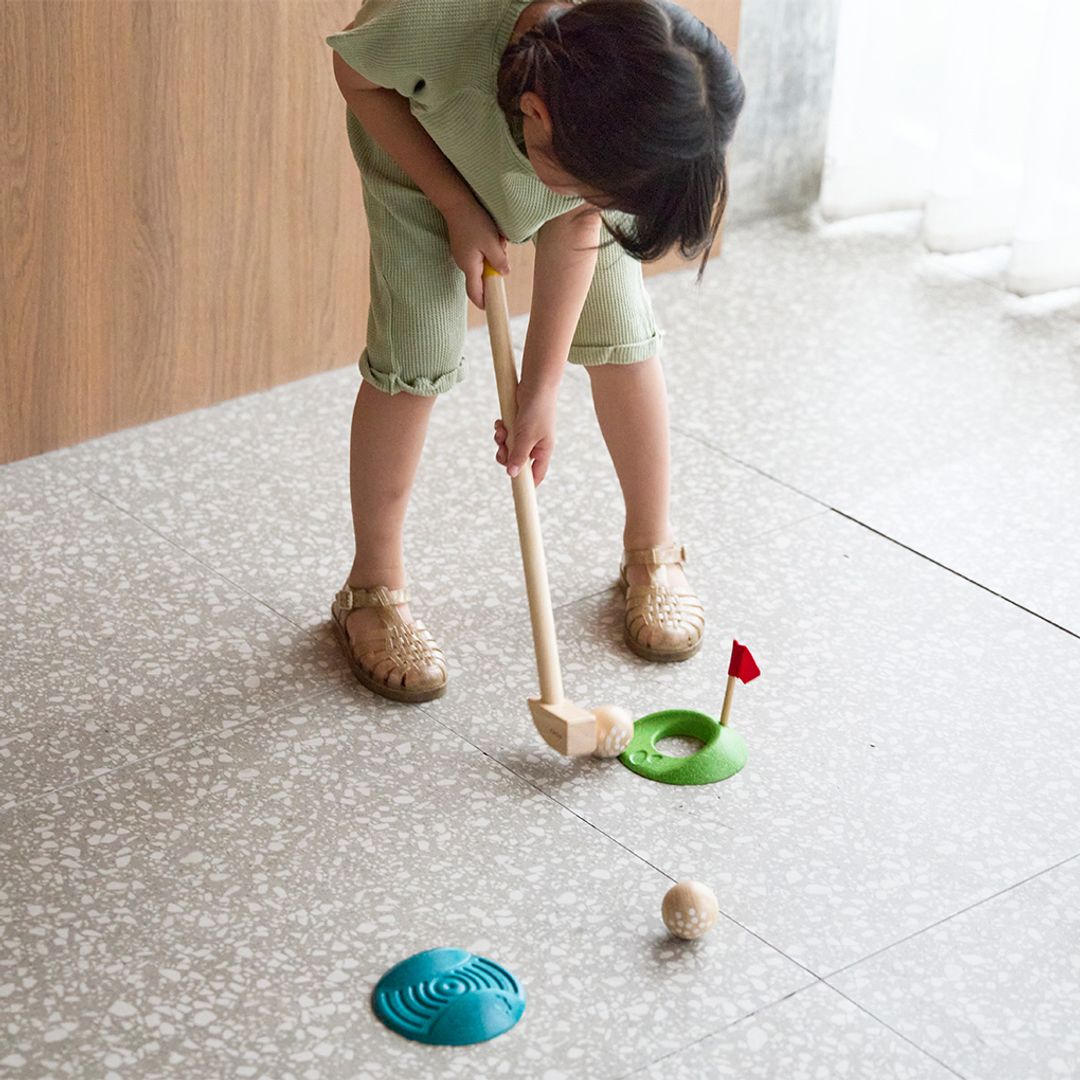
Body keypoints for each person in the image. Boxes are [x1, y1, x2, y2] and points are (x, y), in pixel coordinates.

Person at [325, 0, 745, 702]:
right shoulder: (433, 20)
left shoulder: (626, 71)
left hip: (578, 156)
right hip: (422, 152)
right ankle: (371, 587)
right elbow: (355, 74)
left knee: (621, 331)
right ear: (536, 116)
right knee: (413, 359)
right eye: (602, 194)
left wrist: (539, 390)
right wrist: (455, 204)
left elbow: (580, 218)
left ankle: (653, 547)